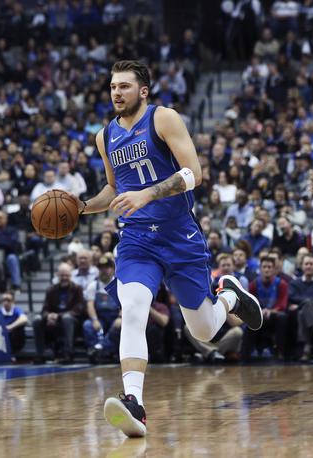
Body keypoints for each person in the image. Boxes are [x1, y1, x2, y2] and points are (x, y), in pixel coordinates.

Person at [76, 60, 262, 437]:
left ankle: (228, 296)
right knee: (132, 309)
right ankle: (134, 404)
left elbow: (194, 173)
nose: (116, 92)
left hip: (179, 236)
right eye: (113, 86)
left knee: (206, 330)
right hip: (137, 240)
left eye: (125, 86)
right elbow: (114, 189)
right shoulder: (104, 136)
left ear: (143, 91)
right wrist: (80, 206)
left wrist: (147, 194)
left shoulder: (164, 119)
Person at [32, 262, 84, 364]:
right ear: (57, 275)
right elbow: (45, 309)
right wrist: (48, 316)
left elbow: (79, 309)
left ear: (71, 275)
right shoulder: (51, 289)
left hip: (73, 321)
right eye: (62, 275)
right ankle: (41, 354)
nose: (64, 277)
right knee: (37, 320)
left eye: (66, 275)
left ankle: (68, 354)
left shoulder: (77, 288)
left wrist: (58, 316)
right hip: (53, 320)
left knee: (67, 318)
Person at [83, 256, 121, 363]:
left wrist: (120, 317)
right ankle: (96, 352)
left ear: (113, 269)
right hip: (101, 318)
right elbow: (90, 304)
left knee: (120, 326)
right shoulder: (93, 285)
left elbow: (125, 304)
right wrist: (94, 320)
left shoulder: (119, 284)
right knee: (88, 325)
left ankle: (100, 349)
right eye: (101, 268)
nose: (103, 270)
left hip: (115, 316)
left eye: (106, 267)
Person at [0, 292, 27, 358]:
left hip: (16, 339)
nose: (6, 302)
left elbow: (24, 319)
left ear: (13, 302)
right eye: (4, 300)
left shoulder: (16, 310)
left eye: (8, 300)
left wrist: (10, 327)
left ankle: (12, 353)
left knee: (19, 328)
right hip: (3, 339)